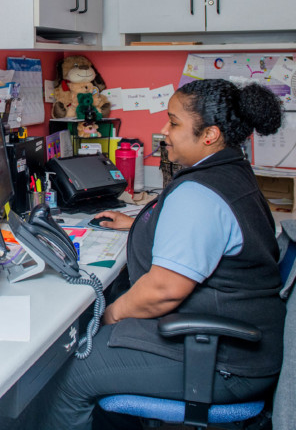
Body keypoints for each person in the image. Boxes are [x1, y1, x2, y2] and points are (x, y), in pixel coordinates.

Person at [36, 79, 286, 430]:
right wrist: (139, 224)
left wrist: (106, 315)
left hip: (224, 363)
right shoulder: (230, 172)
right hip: (243, 344)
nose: (163, 130)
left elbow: (162, 291)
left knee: (71, 370)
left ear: (210, 135)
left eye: (174, 122)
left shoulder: (199, 194)